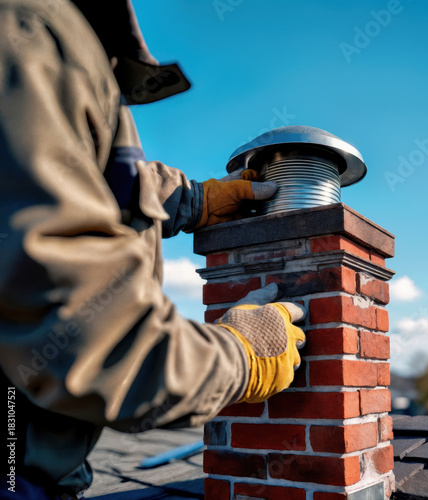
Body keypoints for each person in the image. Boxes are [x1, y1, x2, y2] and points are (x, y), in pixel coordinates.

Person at [0, 1, 306, 498]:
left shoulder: (59, 34)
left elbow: (101, 181)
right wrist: (242, 356)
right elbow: (87, 339)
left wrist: (197, 200)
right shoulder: (27, 28)